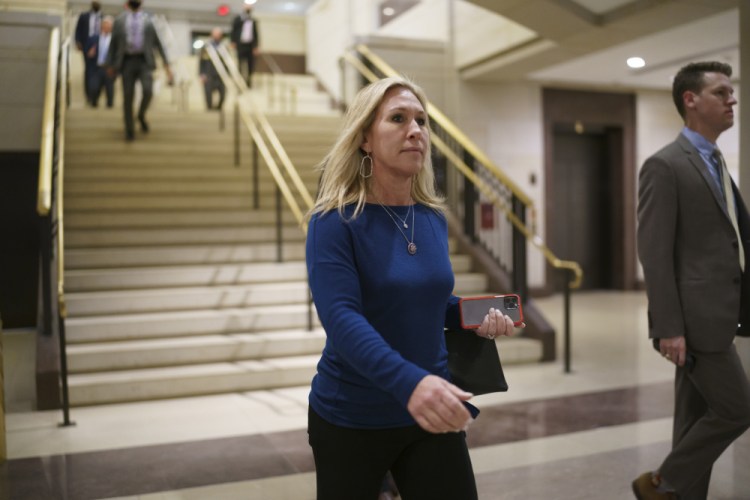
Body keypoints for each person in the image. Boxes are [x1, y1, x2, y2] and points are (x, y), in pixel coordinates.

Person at [304, 76, 516, 500]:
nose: (415, 130)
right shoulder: (334, 221)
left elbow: (429, 300)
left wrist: (474, 316)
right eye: (398, 119)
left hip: (432, 410)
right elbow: (343, 319)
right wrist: (411, 384)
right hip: (354, 415)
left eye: (421, 120)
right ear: (365, 138)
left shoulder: (432, 217)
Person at [634, 61, 750, 499]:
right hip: (696, 321)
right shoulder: (665, 166)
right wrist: (669, 327)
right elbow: (655, 252)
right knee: (738, 410)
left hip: (719, 311)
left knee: (692, 417)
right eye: (721, 92)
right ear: (691, 100)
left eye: (731, 92)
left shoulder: (715, 160)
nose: (731, 99)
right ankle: (659, 484)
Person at [106, 0, 173, 141]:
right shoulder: (119, 21)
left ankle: (141, 114)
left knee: (148, 91)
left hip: (144, 62)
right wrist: (110, 65)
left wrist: (167, 65)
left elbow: (158, 44)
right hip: (127, 62)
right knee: (128, 97)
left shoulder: (149, 21)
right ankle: (129, 129)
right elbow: (113, 44)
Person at [84, 16, 115, 108]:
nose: (107, 28)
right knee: (94, 87)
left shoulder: (114, 40)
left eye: (109, 26)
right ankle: (93, 103)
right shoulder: (93, 38)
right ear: (102, 26)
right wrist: (89, 53)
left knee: (109, 90)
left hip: (109, 68)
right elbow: (86, 51)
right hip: (96, 67)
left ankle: (110, 106)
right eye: (105, 25)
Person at [75, 1, 102, 104]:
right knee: (88, 71)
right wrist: (78, 42)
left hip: (100, 47)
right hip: (87, 46)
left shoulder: (103, 18)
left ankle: (96, 95)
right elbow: (78, 30)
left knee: (99, 72)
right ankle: (89, 95)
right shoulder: (84, 16)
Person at [230, 3, 259, 88]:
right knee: (240, 63)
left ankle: (248, 81)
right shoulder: (237, 19)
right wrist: (233, 41)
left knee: (250, 64)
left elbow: (256, 34)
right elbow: (233, 31)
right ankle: (239, 81)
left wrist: (256, 46)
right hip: (240, 45)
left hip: (250, 46)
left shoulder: (253, 20)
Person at [199, 28, 227, 111]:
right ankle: (209, 108)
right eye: (215, 34)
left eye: (218, 35)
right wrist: (202, 74)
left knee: (223, 93)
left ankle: (219, 108)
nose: (216, 37)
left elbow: (227, 63)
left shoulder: (223, 47)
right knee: (208, 92)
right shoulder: (206, 47)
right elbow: (201, 62)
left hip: (220, 74)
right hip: (209, 73)